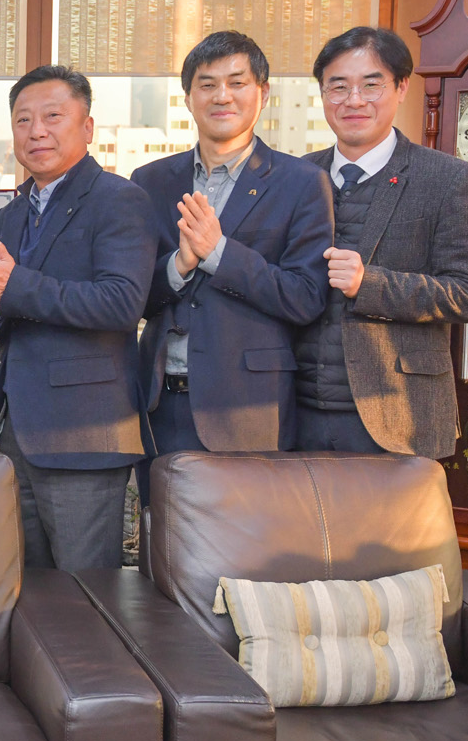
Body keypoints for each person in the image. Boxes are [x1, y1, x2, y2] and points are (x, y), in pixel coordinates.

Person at [0, 66, 155, 569]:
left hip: (84, 434)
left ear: (87, 127)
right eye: (23, 120)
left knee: (86, 593)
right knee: (25, 587)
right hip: (15, 432)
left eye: (52, 117)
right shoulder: (12, 214)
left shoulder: (120, 199)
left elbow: (122, 302)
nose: (36, 131)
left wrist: (15, 288)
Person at [130, 32, 333, 494]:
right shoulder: (150, 180)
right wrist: (178, 266)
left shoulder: (302, 182)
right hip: (160, 403)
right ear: (188, 98)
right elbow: (132, 295)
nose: (222, 96)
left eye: (237, 82)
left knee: (248, 534)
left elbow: (305, 297)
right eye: (207, 84)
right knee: (162, 531)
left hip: (249, 409)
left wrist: (219, 253)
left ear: (263, 92)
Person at [296, 26, 468, 456]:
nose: (354, 100)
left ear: (401, 87)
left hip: (397, 417)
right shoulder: (295, 176)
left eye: (371, 85)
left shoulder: (448, 179)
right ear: (323, 93)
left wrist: (368, 284)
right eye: (338, 86)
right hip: (296, 412)